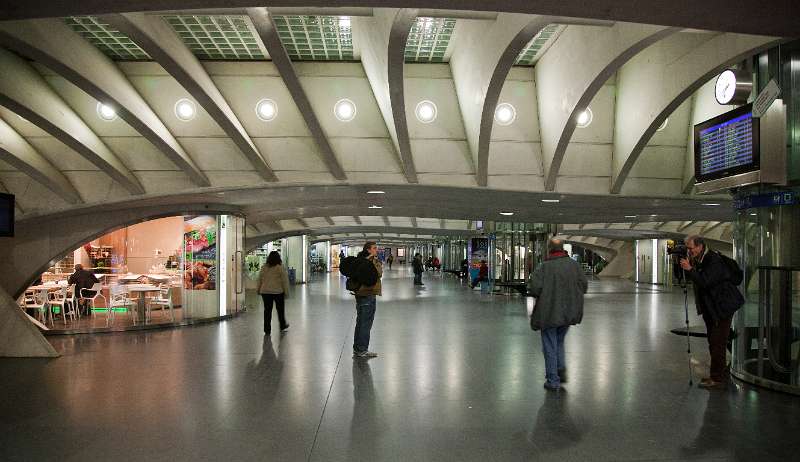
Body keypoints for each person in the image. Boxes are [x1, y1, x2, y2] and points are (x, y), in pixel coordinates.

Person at [680, 235, 744, 388]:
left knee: (717, 342)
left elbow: (706, 282)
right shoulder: (700, 259)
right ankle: (719, 373)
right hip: (712, 307)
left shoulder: (713, 259)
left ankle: (717, 379)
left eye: (691, 248)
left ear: (700, 246)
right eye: (687, 248)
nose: (689, 251)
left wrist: (690, 269)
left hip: (722, 306)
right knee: (713, 341)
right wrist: (689, 268)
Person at [528, 239, 588, 390]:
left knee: (549, 344)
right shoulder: (574, 265)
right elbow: (584, 285)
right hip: (568, 312)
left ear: (549, 249)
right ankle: (560, 370)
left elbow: (534, 288)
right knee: (559, 341)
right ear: (563, 249)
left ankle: (552, 380)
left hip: (549, 312)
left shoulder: (544, 267)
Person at [353, 242, 383, 358]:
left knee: (360, 322)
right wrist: (377, 262)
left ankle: (358, 348)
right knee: (366, 323)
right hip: (368, 293)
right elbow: (379, 274)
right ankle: (362, 349)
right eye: (374, 248)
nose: (377, 250)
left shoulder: (359, 259)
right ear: (368, 250)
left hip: (360, 293)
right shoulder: (371, 261)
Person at [258, 251, 290, 336]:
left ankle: (267, 329)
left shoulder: (264, 267)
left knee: (267, 311)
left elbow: (260, 279)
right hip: (278, 292)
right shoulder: (280, 268)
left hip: (265, 292)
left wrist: (258, 289)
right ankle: (282, 325)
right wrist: (286, 292)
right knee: (280, 310)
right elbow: (285, 281)